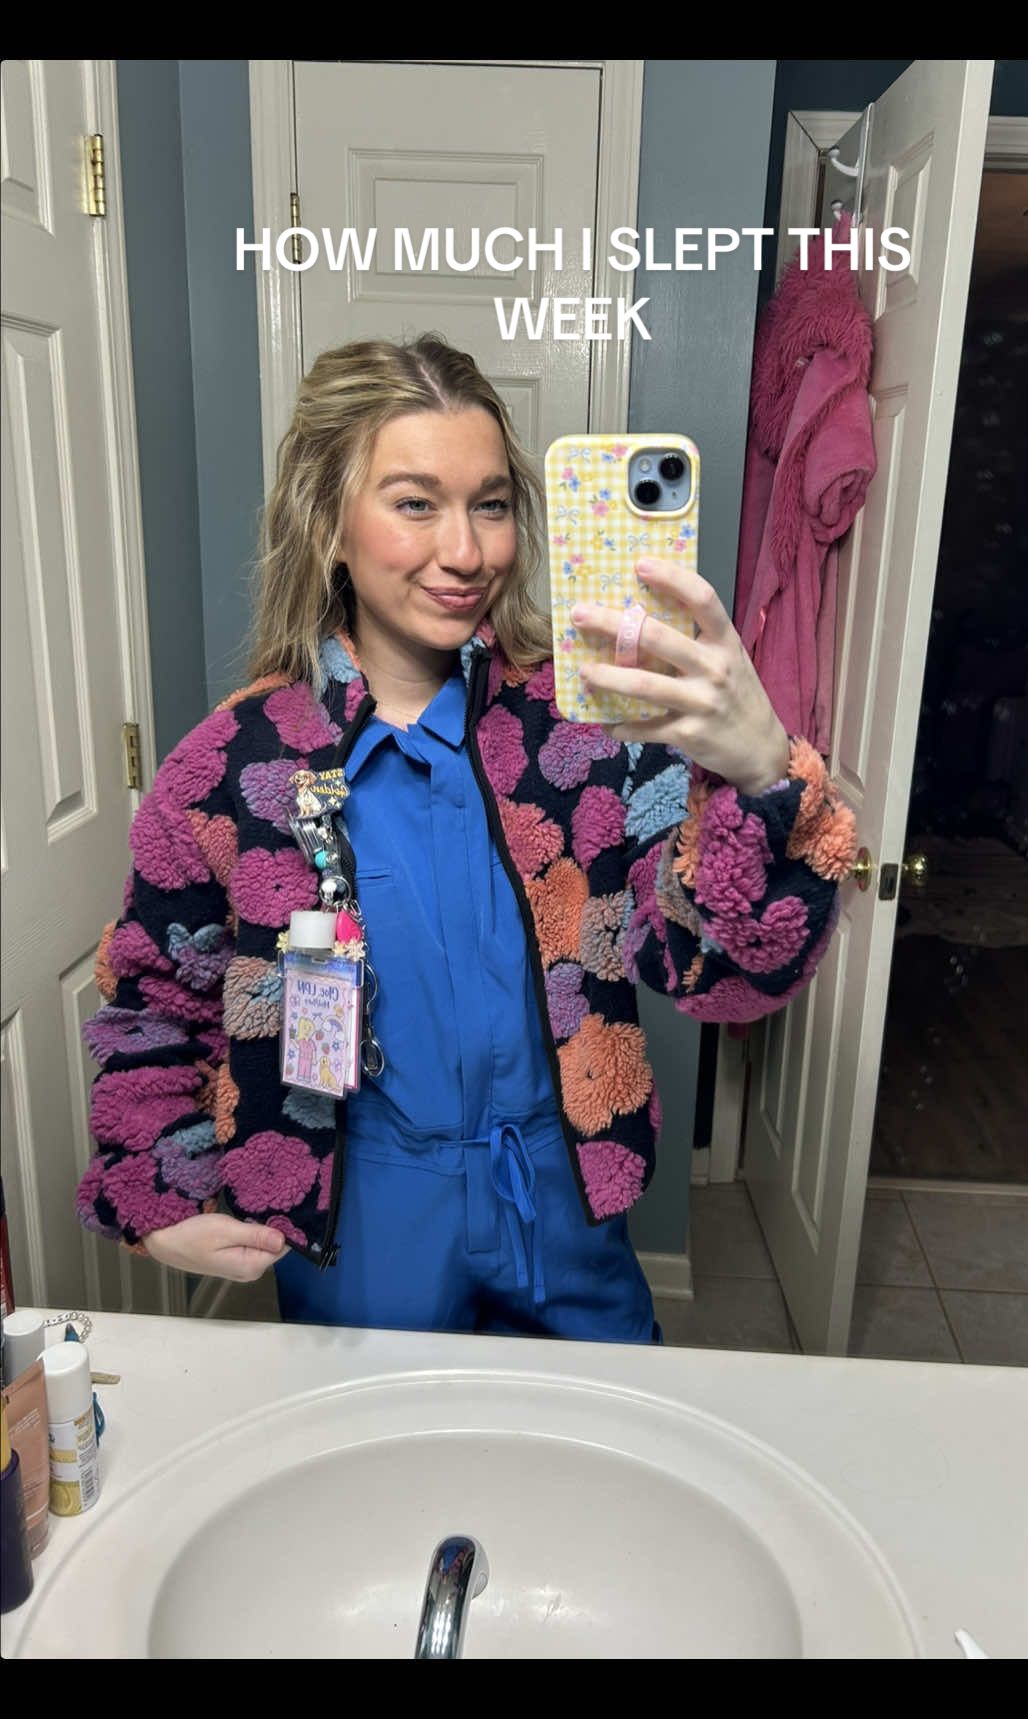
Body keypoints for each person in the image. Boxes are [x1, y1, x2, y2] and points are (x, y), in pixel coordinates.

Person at [76, 336, 857, 1343]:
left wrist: (760, 781)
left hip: (564, 1198)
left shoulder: (591, 737)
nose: (466, 551)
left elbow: (721, 976)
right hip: (364, 1216)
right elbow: (153, 1000)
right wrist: (157, 1191)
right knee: (377, 1446)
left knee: (596, 1439)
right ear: (328, 522)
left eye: (490, 504)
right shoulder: (230, 769)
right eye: (415, 503)